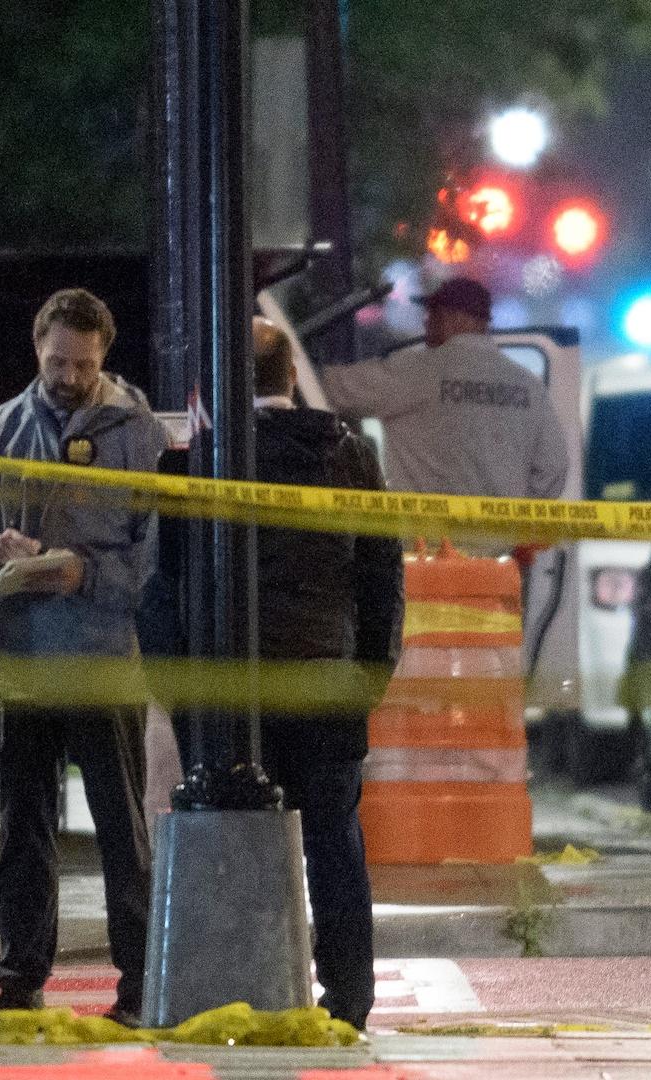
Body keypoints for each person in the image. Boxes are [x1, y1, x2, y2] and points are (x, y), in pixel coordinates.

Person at [141, 317, 404, 1029]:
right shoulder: (350, 457)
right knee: (333, 845)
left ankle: (242, 991)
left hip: (230, 695)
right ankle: (348, 999)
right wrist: (368, 677)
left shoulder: (198, 463)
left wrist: (180, 695)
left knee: (236, 847)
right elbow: (381, 580)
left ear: (220, 385)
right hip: (325, 680)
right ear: (290, 378)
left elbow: (162, 592)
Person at [0, 287, 169, 1026]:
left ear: (105, 357)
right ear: (38, 348)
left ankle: (138, 983)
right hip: (15, 660)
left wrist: (86, 574)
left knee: (120, 833)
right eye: (56, 360)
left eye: (82, 364)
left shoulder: (140, 437)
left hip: (102, 661)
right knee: (22, 833)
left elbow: (158, 555)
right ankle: (18, 980)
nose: (67, 376)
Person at [318, 276, 569, 511]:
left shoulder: (418, 372)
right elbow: (553, 468)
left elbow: (333, 388)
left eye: (433, 315)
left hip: (427, 550)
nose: (426, 323)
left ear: (454, 318)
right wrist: (514, 523)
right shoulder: (528, 386)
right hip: (498, 553)